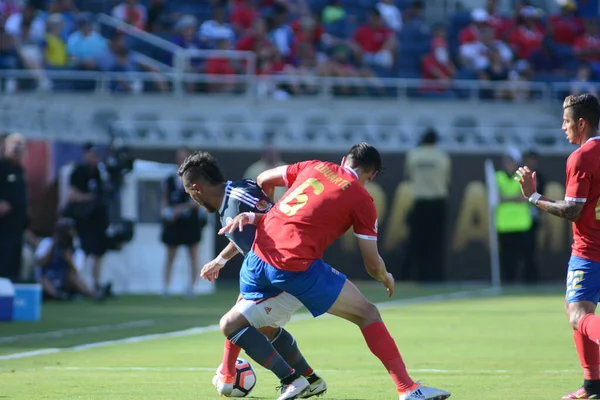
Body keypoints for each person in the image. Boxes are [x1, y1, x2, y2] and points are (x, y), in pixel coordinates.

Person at [210, 143, 451, 400]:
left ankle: (292, 379)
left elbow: (263, 178)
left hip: (258, 255)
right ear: (372, 175)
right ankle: (407, 389)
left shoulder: (315, 166)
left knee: (240, 323)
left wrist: (270, 213)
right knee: (368, 314)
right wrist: (385, 276)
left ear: (344, 159)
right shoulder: (361, 198)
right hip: (293, 264)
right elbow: (371, 263)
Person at [180, 151, 327, 398]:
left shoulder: (232, 207)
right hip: (298, 266)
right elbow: (255, 235)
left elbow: (261, 254)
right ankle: (312, 380)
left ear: (196, 188)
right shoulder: (240, 189)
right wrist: (220, 259)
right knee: (265, 329)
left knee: (232, 323)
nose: (192, 199)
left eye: (189, 194)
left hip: (287, 273)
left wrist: (245, 296)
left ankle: (291, 380)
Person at [514, 93, 600, 399]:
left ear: (581, 123)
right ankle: (592, 387)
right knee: (580, 310)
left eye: (565, 121)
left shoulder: (581, 157)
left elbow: (571, 210)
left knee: (577, 314)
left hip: (590, 252)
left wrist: (533, 197)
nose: (562, 128)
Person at [402, 128, 451, 282]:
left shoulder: (413, 155)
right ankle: (436, 276)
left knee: (417, 242)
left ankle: (415, 276)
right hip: (438, 204)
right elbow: (447, 180)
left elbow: (408, 177)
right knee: (436, 243)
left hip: (420, 203)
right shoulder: (442, 156)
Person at [161, 147, 207, 297]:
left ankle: (192, 287)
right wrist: (168, 212)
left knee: (192, 255)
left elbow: (198, 200)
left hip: (190, 221)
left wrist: (181, 209)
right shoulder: (170, 179)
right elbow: (165, 199)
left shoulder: (195, 179)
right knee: (171, 254)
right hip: (174, 222)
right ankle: (166, 287)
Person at [65, 142, 110, 293]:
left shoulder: (100, 172)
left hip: (98, 220)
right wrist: (90, 197)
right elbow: (71, 195)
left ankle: (95, 283)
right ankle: (80, 284)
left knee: (98, 252)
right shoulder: (78, 171)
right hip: (84, 219)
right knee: (83, 252)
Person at [35, 218, 107, 301]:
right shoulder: (47, 243)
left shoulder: (76, 250)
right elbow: (39, 263)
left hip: (64, 280)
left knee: (72, 276)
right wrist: (52, 248)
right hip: (48, 277)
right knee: (43, 279)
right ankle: (57, 296)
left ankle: (93, 294)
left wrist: (69, 260)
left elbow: (76, 272)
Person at [495, 147, 534, 284]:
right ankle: (508, 283)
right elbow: (496, 198)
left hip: (522, 223)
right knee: (507, 258)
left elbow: (526, 197)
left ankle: (528, 284)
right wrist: (514, 198)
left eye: (510, 160)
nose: (507, 162)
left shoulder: (523, 176)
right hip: (504, 224)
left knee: (525, 257)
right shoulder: (497, 176)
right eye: (505, 159)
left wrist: (507, 199)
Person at [0, 133, 29, 281]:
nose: (18, 150)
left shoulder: (20, 171)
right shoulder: (2, 167)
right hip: (3, 229)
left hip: (17, 228)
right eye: (15, 146)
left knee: (14, 265)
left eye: (21, 147)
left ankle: (10, 300)